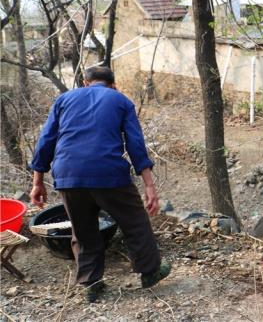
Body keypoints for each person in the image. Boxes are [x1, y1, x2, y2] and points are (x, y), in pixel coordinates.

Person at [30, 66, 171, 303]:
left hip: (68, 174)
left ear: (86, 83)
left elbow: (46, 141)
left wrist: (37, 182)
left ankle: (91, 283)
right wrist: (149, 186)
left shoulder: (64, 99)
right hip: (109, 173)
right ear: (112, 85)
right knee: (134, 222)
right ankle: (150, 272)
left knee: (83, 229)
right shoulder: (120, 101)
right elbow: (135, 144)